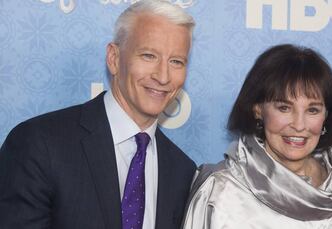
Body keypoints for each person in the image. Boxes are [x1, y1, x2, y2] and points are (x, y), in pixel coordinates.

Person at [0, 1, 196, 228]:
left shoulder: (182, 171)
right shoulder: (39, 144)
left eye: (176, 61)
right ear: (114, 58)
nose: (163, 76)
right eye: (148, 56)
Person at [182, 44, 332, 228]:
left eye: (312, 110)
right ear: (258, 109)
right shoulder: (220, 189)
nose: (299, 125)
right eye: (284, 108)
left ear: (326, 116)